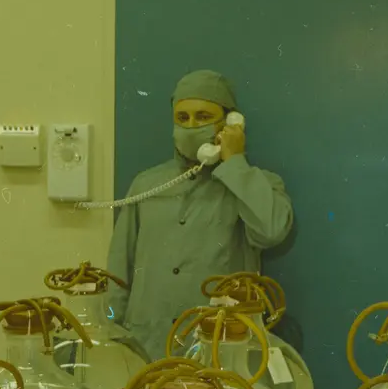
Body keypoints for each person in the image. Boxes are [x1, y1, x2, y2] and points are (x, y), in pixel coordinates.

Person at [106, 69, 294, 361]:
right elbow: (119, 269)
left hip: (218, 346)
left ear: (230, 122)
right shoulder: (146, 184)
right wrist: (113, 335)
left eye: (203, 117)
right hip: (147, 345)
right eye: (182, 118)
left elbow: (271, 231)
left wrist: (235, 163)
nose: (191, 126)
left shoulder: (256, 184)